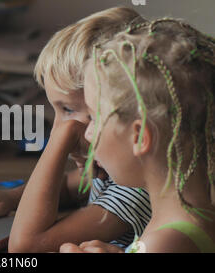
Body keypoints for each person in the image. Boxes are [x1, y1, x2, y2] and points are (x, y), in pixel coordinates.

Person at [0, 7, 152, 253]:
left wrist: (61, 138)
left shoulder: (137, 187)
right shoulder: (112, 169)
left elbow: (26, 246)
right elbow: (69, 186)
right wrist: (11, 197)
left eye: (67, 110)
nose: (57, 126)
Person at [60, 18, 215, 253]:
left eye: (94, 117)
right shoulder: (185, 221)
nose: (89, 134)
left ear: (140, 135)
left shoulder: (166, 242)